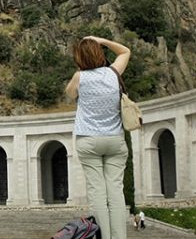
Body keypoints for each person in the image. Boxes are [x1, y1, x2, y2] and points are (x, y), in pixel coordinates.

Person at [65, 35, 132, 239]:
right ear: (99, 53)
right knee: (116, 192)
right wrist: (102, 41)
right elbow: (125, 51)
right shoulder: (114, 72)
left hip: (88, 140)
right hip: (115, 140)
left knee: (97, 193)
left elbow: (70, 94)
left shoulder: (79, 77)